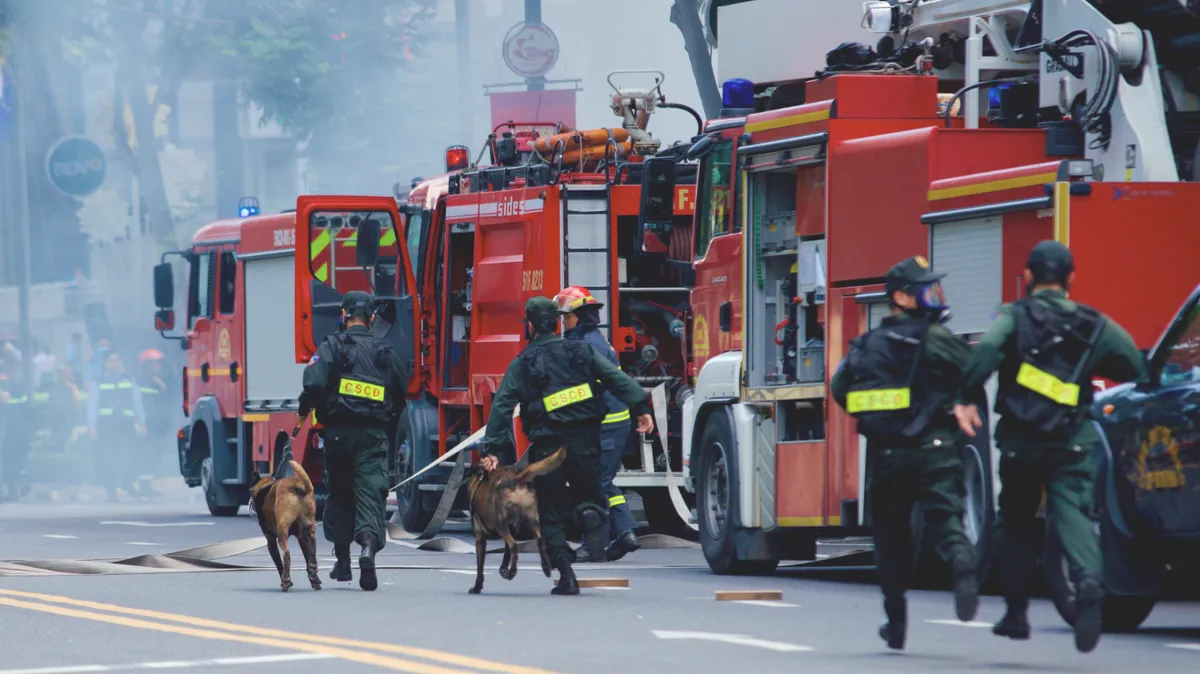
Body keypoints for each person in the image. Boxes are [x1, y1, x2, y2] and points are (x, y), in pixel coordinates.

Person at [953, 240, 1145, 654]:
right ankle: (1090, 583)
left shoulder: (1013, 317)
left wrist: (967, 392)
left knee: (1017, 521)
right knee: (1072, 512)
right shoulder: (1096, 324)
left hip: (1022, 440)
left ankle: (1016, 613)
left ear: (1027, 277)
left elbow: (987, 348)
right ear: (1071, 278)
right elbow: (1132, 363)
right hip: (1072, 440)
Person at [830, 255, 980, 651]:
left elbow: (840, 389)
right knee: (946, 519)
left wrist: (881, 420)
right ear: (901, 296)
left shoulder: (866, 345)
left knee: (892, 541)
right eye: (925, 289)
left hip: (887, 456)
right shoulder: (937, 339)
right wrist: (963, 400)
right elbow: (976, 369)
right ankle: (962, 563)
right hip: (935, 450)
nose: (934, 296)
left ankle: (895, 623)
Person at [477, 296, 655, 595]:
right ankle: (586, 513)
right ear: (557, 322)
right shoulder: (581, 350)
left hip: (548, 449)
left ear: (531, 326)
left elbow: (503, 405)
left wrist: (492, 448)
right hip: (586, 441)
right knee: (593, 498)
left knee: (550, 514)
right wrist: (640, 407)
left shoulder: (524, 362)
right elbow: (616, 379)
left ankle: (567, 575)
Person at [299, 291, 409, 592]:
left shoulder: (331, 346)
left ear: (344, 314)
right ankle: (368, 549)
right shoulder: (386, 351)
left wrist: (306, 405)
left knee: (340, 492)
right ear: (372, 318)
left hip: (338, 433)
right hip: (373, 434)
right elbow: (402, 390)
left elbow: (313, 382)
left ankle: (343, 561)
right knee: (371, 491)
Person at [553, 286, 642, 563]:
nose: (563, 323)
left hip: (606, 425)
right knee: (603, 482)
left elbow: (587, 390)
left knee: (592, 484)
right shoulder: (595, 341)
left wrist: (549, 405)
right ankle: (626, 532)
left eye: (566, 318)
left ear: (578, 317)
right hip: (612, 422)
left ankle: (594, 545)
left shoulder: (587, 346)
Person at [87, 350, 147, 502]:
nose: (115, 364)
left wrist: (142, 423)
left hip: (125, 426)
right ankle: (111, 492)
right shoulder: (98, 382)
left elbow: (137, 402)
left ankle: (127, 483)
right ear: (106, 363)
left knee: (129, 456)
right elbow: (92, 404)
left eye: (117, 360)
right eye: (111, 361)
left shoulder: (129, 380)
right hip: (105, 427)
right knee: (107, 459)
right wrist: (92, 426)